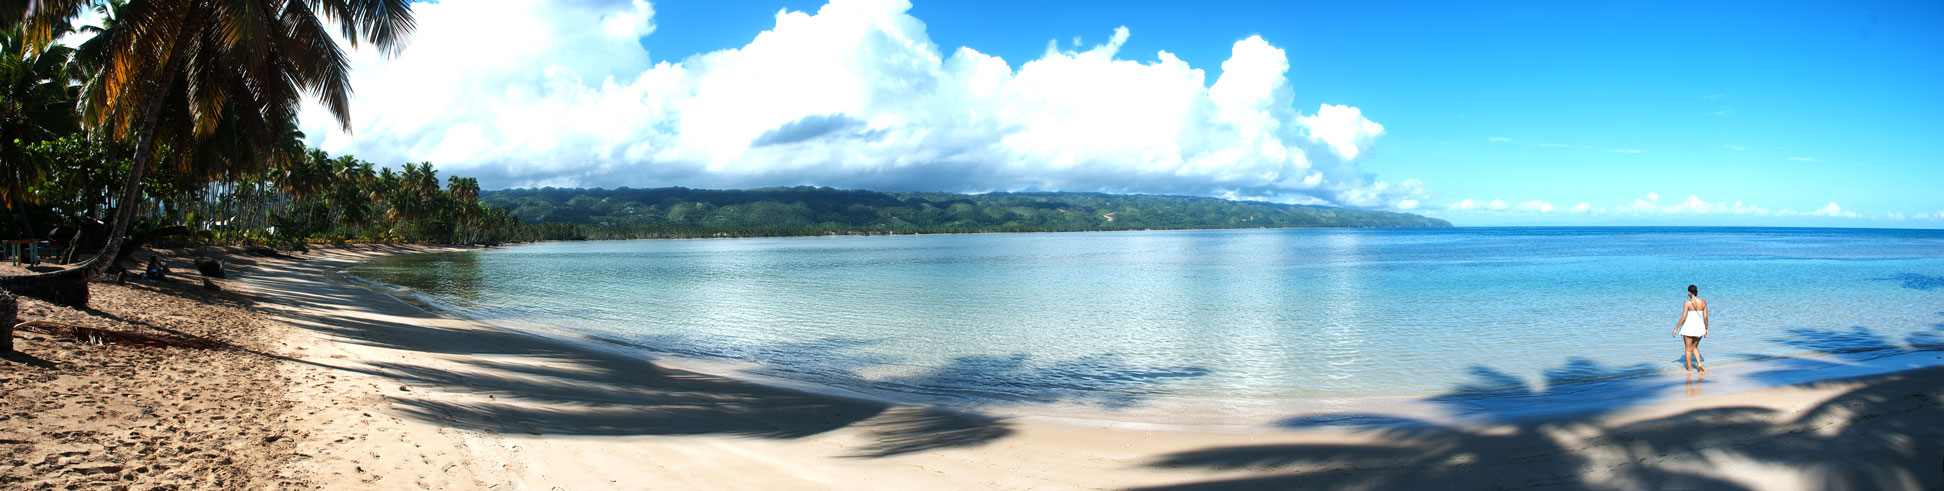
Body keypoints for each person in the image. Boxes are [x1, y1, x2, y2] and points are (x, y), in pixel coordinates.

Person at [1671, 284, 1709, 372]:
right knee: (1695, 347)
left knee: (1688, 350)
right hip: (1699, 328)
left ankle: (1689, 369)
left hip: (1689, 328)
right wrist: (1706, 329)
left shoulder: (1687, 303)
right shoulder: (1703, 302)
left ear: (1689, 292)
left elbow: (1683, 317)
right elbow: (1706, 317)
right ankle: (1699, 364)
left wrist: (1676, 328)